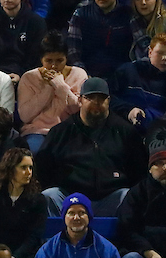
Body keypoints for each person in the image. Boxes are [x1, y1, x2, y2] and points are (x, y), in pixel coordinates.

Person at [36, 77, 145, 216]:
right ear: (80, 100)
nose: (97, 103)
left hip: (110, 197)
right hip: (71, 199)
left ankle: (127, 238)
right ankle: (57, 238)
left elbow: (139, 171)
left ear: (109, 101)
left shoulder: (125, 132)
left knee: (128, 196)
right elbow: (43, 168)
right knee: (49, 195)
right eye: (90, 98)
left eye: (102, 98)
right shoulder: (61, 132)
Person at [16, 31, 86, 153]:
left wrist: (60, 85)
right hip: (37, 131)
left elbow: (78, 111)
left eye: (59, 60)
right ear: (41, 59)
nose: (54, 66)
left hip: (69, 131)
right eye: (49, 61)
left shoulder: (79, 74)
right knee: (36, 153)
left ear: (66, 58)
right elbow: (25, 116)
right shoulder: (28, 78)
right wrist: (48, 87)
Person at [0, 148, 44, 258]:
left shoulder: (38, 200)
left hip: (25, 256)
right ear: (10, 169)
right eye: (23, 167)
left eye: (30, 168)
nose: (29, 172)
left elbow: (34, 236)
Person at [66, 0, 133, 80]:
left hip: (122, 75)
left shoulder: (129, 15)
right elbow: (72, 50)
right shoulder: (80, 14)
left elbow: (140, 46)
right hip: (87, 74)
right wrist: (82, 73)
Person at [33, 193, 123, 258]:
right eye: (71, 213)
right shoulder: (48, 251)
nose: (76, 217)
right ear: (64, 217)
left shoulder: (107, 250)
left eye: (81, 213)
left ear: (89, 217)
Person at [111, 33, 166, 133]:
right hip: (121, 130)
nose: (164, 58)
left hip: (156, 136)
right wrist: (129, 111)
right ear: (150, 52)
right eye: (159, 53)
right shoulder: (128, 70)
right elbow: (109, 98)